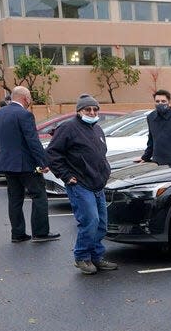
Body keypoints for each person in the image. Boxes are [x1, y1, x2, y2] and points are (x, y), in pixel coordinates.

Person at [46, 94, 117, 275]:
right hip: (80, 185)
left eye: (95, 109)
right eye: (87, 109)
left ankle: (96, 256)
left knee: (101, 223)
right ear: (79, 111)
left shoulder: (97, 130)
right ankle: (82, 257)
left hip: (98, 184)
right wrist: (66, 175)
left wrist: (105, 171)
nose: (92, 112)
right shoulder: (68, 128)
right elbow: (52, 154)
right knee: (90, 221)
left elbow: (101, 155)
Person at [0, 86, 59, 243]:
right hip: (26, 165)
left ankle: (17, 234)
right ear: (26, 98)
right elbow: (32, 141)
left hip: (7, 164)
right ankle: (40, 233)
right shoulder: (25, 114)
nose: (30, 100)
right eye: (30, 98)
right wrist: (43, 162)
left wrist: (6, 152)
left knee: (15, 199)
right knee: (39, 195)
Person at [135, 90, 171, 166]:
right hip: (157, 162)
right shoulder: (151, 117)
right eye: (157, 101)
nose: (160, 103)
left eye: (163, 101)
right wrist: (145, 157)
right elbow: (151, 141)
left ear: (169, 103)